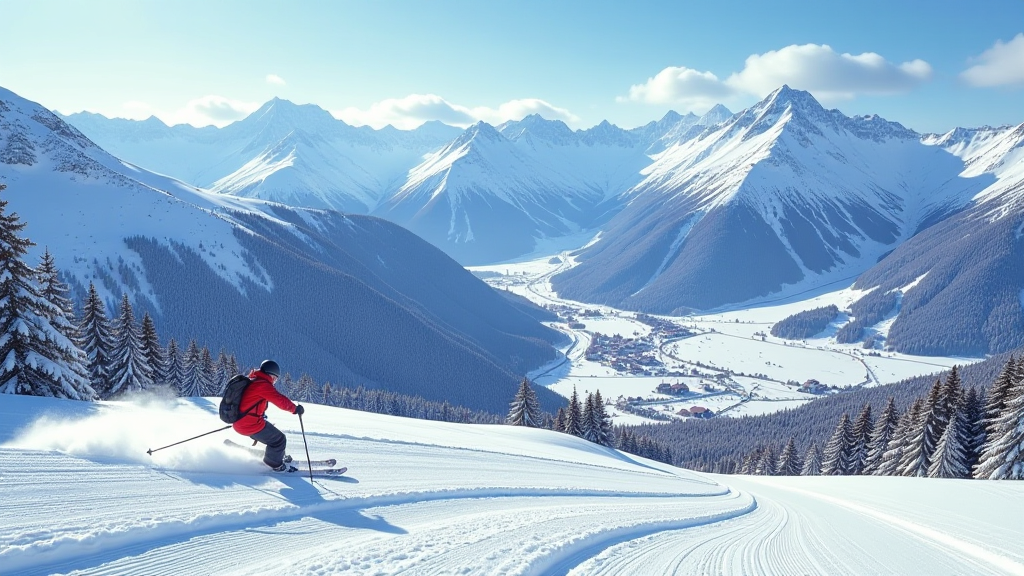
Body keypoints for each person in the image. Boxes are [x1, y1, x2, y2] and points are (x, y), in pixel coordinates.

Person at [231, 359, 305, 471]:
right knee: (279, 440)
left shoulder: (253, 380)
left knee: (271, 431)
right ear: (270, 375)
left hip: (241, 421)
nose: (274, 381)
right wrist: (295, 409)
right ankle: (274, 464)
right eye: (275, 378)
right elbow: (280, 400)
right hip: (248, 424)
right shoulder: (262, 385)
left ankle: (278, 456)